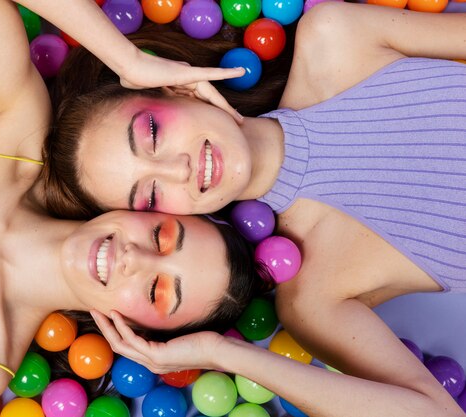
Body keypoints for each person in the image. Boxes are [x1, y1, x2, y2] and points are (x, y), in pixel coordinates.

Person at [0, 1, 266, 416]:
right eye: (160, 236)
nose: (135, 259)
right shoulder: (15, 135)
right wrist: (127, 59)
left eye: (157, 291)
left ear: (135, 334)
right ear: (142, 209)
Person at [46, 2, 466, 416]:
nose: (179, 168)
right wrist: (221, 353)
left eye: (153, 133)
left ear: (176, 86)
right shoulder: (313, 298)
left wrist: (125, 58)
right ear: (164, 220)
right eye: (150, 196)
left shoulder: (335, 35)